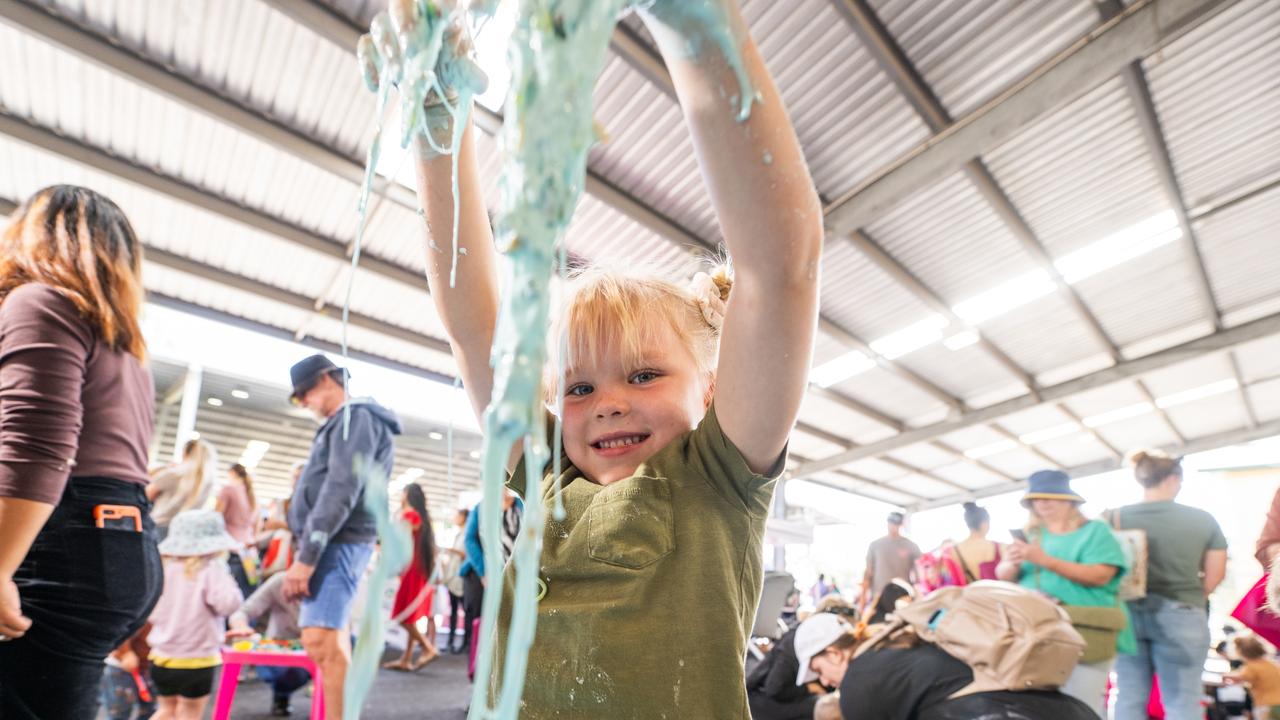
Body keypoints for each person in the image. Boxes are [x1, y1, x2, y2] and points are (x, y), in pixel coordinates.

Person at [406, 0, 823, 712]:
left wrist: (698, 24)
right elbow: (476, 329)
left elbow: (780, 268)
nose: (607, 402)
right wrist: (437, 121)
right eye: (576, 388)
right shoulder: (543, 473)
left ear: (713, 388)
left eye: (644, 374)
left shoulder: (716, 481)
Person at [0, 185, 163, 718]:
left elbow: (36, 445)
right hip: (120, 544)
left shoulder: (40, 302)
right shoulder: (127, 350)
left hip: (60, 542)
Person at [282, 353, 401, 720]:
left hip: (340, 542)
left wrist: (306, 557)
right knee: (324, 641)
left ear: (327, 379)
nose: (303, 402)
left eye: (304, 392)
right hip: (334, 542)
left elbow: (341, 488)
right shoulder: (346, 422)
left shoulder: (357, 417)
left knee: (323, 642)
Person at [997, 469, 1132, 716]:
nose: (1043, 503)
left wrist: (1043, 559)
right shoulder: (1030, 535)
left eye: (1050, 497)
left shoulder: (1095, 532)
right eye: (1037, 498)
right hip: (1033, 633)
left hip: (1085, 632)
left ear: (1069, 501)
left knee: (1079, 707)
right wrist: (1012, 563)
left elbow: (1100, 575)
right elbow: (1003, 573)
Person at [792, 612, 1100, 720]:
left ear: (834, 653)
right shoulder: (902, 642)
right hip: (1068, 710)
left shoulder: (859, 685)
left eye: (818, 670)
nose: (826, 683)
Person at [1113, 449, 1228, 720]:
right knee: (1182, 701)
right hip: (1182, 612)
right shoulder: (1202, 519)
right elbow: (1216, 574)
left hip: (1125, 614)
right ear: (1173, 478)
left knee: (1128, 696)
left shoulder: (1113, 517)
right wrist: (1193, 596)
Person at [147, 509, 245, 720]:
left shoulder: (164, 568)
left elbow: (150, 610)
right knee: (190, 714)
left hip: (161, 656)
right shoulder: (211, 568)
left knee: (165, 710)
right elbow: (228, 604)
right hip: (197, 660)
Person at [226, 570, 309, 717]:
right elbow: (242, 612)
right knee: (285, 676)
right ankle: (281, 693)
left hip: (318, 645)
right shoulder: (280, 581)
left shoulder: (333, 584)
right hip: (282, 647)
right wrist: (241, 627)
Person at [459, 491, 523, 673]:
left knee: (511, 626)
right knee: (484, 627)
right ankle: (480, 677)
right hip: (486, 576)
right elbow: (470, 540)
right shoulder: (482, 508)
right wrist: (484, 571)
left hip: (517, 576)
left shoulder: (521, 505)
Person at [384, 483, 439, 671]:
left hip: (410, 570)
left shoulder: (408, 515)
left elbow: (401, 544)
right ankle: (406, 659)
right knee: (410, 616)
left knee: (402, 615)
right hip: (419, 569)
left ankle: (427, 647)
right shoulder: (420, 517)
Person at [147, 439, 219, 539]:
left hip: (160, 527)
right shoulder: (208, 483)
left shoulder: (175, 474)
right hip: (184, 533)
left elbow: (146, 494)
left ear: (185, 453)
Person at [218, 462, 260, 597]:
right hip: (251, 555)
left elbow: (216, 518)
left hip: (231, 551)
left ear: (232, 473)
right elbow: (256, 530)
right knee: (247, 599)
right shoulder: (254, 497)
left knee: (226, 598)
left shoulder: (228, 489)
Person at [862, 512, 922, 603]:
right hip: (879, 596)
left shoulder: (911, 546)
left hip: (903, 596)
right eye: (891, 522)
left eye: (896, 523)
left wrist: (917, 593)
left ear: (901, 524)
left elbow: (920, 570)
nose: (893, 526)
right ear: (887, 522)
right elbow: (868, 573)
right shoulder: (875, 545)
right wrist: (863, 599)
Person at [101, 624, 157, 720]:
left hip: (149, 665)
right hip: (121, 666)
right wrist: (125, 653)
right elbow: (121, 627)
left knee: (150, 711)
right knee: (118, 714)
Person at [440, 507, 470, 654]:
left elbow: (466, 554)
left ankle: (466, 643)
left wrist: (450, 550)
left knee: (465, 611)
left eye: (457, 515)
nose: (455, 517)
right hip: (453, 578)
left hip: (463, 578)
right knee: (452, 610)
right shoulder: (458, 534)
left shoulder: (468, 534)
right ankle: (450, 641)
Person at [1229, 635, 1280, 719]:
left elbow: (1240, 677)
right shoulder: (1270, 664)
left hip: (1266, 703)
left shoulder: (1251, 666)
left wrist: (1224, 675)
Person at [949, 502, 1001, 583]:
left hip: (971, 593)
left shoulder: (955, 550)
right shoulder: (997, 546)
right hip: (996, 593)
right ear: (985, 524)